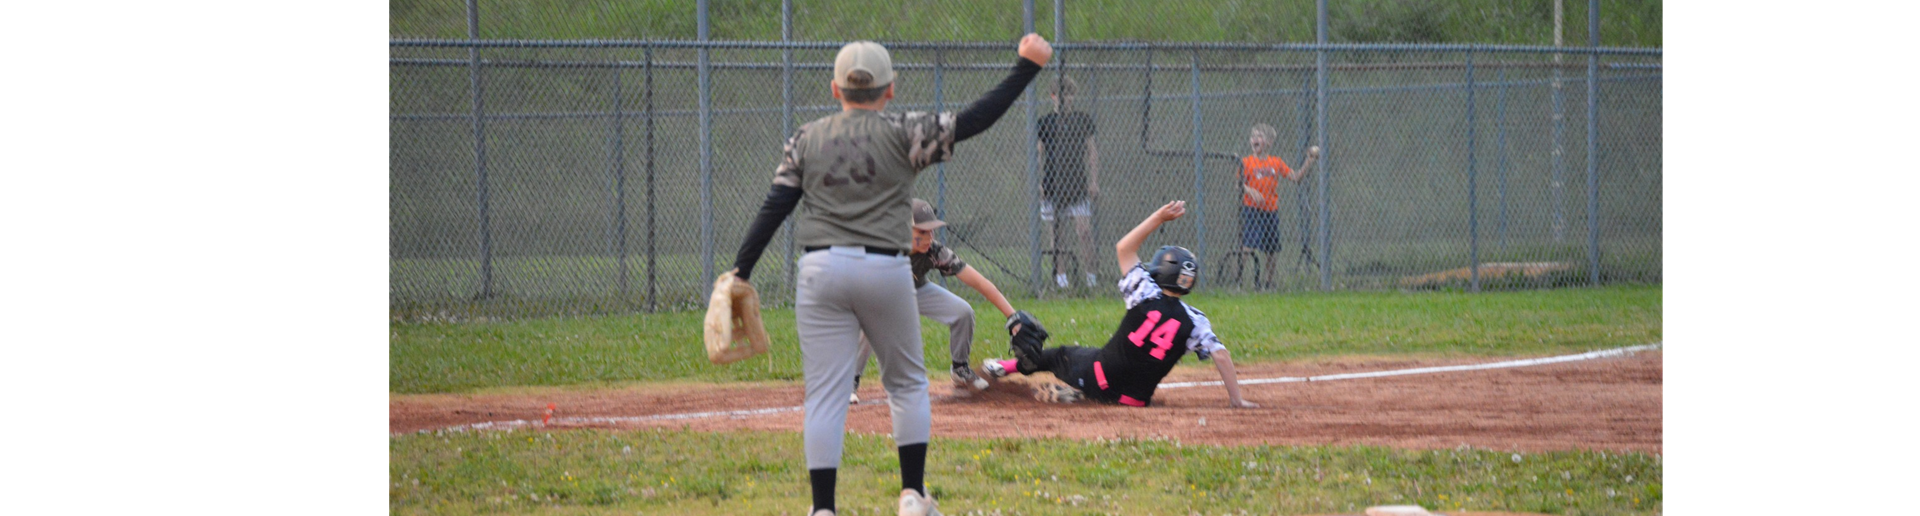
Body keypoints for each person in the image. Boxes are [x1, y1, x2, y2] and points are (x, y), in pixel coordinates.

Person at [727, 35, 1052, 516]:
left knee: (825, 394)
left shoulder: (806, 138)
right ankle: (911, 496)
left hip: (819, 268)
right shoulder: (905, 131)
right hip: (884, 264)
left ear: (835, 89)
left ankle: (822, 510)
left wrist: (741, 272)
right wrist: (1026, 68)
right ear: (891, 89)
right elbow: (975, 119)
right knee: (905, 385)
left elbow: (775, 206)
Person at [983, 200, 1259, 409]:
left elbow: (1124, 248)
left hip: (1097, 377)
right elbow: (1221, 355)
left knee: (1060, 355)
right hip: (1133, 401)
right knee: (1117, 371)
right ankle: (1081, 395)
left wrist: (1159, 217)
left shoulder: (1144, 293)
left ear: (1163, 271)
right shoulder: (1195, 321)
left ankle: (1003, 367)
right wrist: (1236, 399)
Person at [848, 198, 1022, 404]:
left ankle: (960, 369)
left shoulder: (934, 252)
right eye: (922, 231)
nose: (929, 236)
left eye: (931, 231)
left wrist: (1013, 316)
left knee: (962, 312)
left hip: (917, 289)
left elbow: (980, 283)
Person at [1036, 75, 1101, 289]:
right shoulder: (1045, 122)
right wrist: (1039, 183)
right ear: (1052, 96)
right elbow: (1038, 154)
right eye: (1060, 94)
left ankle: (1091, 280)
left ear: (1074, 96)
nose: (1065, 99)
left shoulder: (1082, 120)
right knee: (1057, 235)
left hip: (1078, 186)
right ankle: (1061, 281)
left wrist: (1093, 182)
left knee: (1084, 232)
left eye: (1069, 94)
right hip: (1052, 186)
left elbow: (1092, 152)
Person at [1238, 123, 1318, 288]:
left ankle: (1269, 282)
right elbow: (1238, 184)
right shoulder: (1246, 162)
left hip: (1271, 210)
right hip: (1252, 209)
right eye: (1253, 137)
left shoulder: (1276, 162)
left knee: (1272, 249)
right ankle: (1237, 281)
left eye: (1259, 136)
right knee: (1248, 245)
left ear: (1269, 142)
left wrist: (1309, 161)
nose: (1255, 139)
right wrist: (1250, 191)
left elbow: (1295, 177)